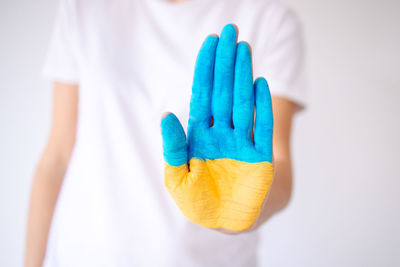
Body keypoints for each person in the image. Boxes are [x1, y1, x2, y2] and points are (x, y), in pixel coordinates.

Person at [25, 0, 306, 266]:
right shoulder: (85, 7)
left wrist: (242, 211)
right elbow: (57, 156)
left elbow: (277, 162)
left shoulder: (269, 17)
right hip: (80, 255)